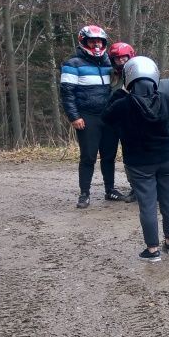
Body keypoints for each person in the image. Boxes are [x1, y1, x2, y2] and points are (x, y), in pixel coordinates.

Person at [103, 56, 169, 262]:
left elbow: (106, 118)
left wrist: (119, 93)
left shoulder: (121, 105)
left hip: (140, 163)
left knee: (147, 205)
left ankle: (153, 250)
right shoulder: (164, 99)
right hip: (168, 158)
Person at [59, 25, 132, 208]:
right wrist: (74, 116)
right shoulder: (73, 64)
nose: (97, 45)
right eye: (92, 41)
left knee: (109, 156)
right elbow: (67, 94)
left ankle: (110, 190)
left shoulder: (110, 62)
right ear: (84, 42)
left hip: (108, 116)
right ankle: (84, 194)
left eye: (100, 41)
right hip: (87, 116)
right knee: (88, 156)